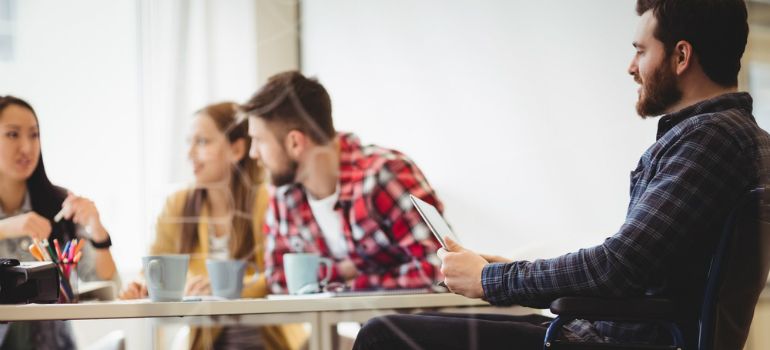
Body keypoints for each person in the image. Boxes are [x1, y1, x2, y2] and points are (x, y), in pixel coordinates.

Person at [353, 0, 770, 349]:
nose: (630, 67)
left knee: (381, 335)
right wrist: (505, 272)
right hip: (611, 330)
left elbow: (616, 266)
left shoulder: (709, 140)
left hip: (613, 341)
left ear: (681, 56)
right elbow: (631, 268)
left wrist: (490, 280)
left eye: (641, 51)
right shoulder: (735, 138)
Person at [119, 102, 306, 350]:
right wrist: (142, 283)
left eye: (203, 142)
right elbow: (155, 265)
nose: (189, 154)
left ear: (237, 149)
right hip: (205, 342)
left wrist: (226, 288)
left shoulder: (269, 202)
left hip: (270, 340)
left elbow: (283, 276)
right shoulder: (177, 204)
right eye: (189, 142)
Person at [241, 71, 444, 293]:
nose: (253, 153)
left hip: (416, 326)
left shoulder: (385, 174)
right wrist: (349, 271)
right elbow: (279, 281)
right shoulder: (284, 195)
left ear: (295, 143)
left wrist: (349, 280)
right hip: (345, 327)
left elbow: (440, 271)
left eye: (258, 141)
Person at [0, 96, 118, 350]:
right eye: (12, 135)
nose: (27, 147)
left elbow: (107, 284)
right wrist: (5, 228)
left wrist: (97, 231)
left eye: (34, 135)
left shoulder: (58, 205)